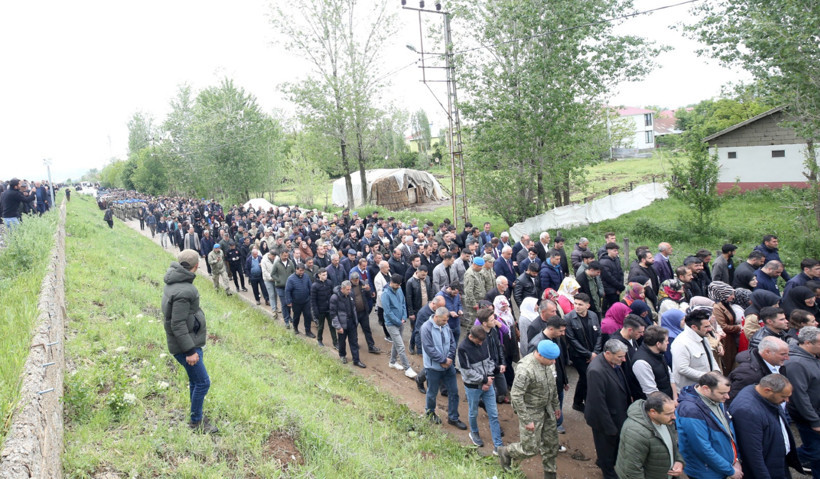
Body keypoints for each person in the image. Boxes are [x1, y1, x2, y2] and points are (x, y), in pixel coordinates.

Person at [161, 249, 217, 433]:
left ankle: (196, 413)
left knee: (195, 381)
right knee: (203, 382)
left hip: (187, 341)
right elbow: (177, 324)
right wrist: (190, 351)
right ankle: (196, 422)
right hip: (186, 345)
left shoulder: (173, 282)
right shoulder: (185, 290)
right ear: (197, 266)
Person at [497, 340, 562, 479]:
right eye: (551, 359)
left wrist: (556, 405)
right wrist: (526, 420)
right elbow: (516, 395)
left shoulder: (549, 364)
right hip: (531, 411)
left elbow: (552, 386)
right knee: (530, 448)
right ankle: (506, 452)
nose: (554, 362)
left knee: (551, 445)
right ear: (540, 355)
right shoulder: (526, 369)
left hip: (547, 409)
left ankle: (550, 474)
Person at [729, 374, 804, 479]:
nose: (787, 400)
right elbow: (753, 454)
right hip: (768, 468)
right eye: (783, 396)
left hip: (777, 461)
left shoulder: (765, 397)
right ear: (767, 390)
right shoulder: (747, 410)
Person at [676, 372, 742, 479]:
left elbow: (729, 432)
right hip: (707, 473)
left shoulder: (716, 398)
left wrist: (736, 459)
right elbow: (702, 448)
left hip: (723, 468)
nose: (727, 396)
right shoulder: (691, 411)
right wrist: (729, 470)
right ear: (706, 388)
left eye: (727, 392)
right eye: (722, 393)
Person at [585, 339, 632, 479]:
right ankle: (608, 473)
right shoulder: (596, 371)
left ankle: (604, 463)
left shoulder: (612, 362)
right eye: (620, 356)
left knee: (613, 447)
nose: (624, 360)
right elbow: (597, 403)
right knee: (606, 449)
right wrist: (609, 427)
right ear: (608, 353)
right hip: (605, 419)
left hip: (617, 413)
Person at [615, 392, 684, 479]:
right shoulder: (636, 433)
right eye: (668, 414)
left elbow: (674, 443)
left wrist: (679, 460)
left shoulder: (666, 420)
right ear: (653, 412)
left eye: (674, 412)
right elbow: (632, 471)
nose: (674, 417)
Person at [457, 325, 503, 452]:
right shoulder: (463, 348)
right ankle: (474, 432)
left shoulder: (483, 341)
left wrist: (489, 378)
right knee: (473, 412)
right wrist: (484, 380)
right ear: (471, 337)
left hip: (487, 384)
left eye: (483, 341)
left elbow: (490, 360)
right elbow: (467, 372)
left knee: (493, 414)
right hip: (473, 387)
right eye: (479, 341)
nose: (481, 344)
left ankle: (498, 445)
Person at [782, 326, 820, 478]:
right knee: (814, 450)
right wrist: (814, 421)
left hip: (814, 412)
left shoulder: (812, 356)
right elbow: (799, 396)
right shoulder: (796, 363)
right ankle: (781, 458)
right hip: (808, 416)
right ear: (808, 343)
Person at [420, 306, 466, 429]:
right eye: (444, 320)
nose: (446, 323)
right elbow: (429, 348)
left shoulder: (445, 326)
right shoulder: (426, 328)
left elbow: (452, 342)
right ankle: (430, 413)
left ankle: (453, 417)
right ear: (436, 317)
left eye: (447, 320)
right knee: (432, 393)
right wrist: (443, 360)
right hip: (433, 368)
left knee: (454, 392)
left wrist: (449, 358)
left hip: (448, 366)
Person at [564, 293, 602, 413]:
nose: (577, 306)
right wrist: (588, 354)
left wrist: (595, 352)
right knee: (586, 377)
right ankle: (579, 403)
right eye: (575, 303)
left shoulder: (593, 315)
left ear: (587, 306)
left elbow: (599, 334)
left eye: (580, 304)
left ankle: (581, 401)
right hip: (578, 355)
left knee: (586, 378)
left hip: (593, 353)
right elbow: (572, 340)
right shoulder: (568, 318)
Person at [727, 336, 789, 404]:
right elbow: (735, 401)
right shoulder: (748, 374)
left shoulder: (778, 365)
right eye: (783, 354)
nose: (787, 358)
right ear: (767, 352)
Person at [671, 309, 721, 388]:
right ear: (694, 327)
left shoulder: (703, 336)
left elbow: (711, 358)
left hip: (707, 385)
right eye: (706, 327)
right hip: (690, 390)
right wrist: (707, 377)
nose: (710, 329)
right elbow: (682, 369)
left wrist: (716, 372)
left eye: (709, 325)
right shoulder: (681, 343)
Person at [383, 274, 417, 378]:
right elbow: (388, 312)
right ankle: (407, 368)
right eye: (396, 285)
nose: (398, 286)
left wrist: (404, 316)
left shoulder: (399, 289)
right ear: (391, 282)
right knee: (401, 346)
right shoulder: (385, 294)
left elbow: (403, 303)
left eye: (399, 285)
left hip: (401, 321)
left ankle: (392, 362)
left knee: (396, 343)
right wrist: (398, 321)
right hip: (391, 324)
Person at [632, 325, 676, 400]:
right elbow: (651, 392)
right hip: (657, 404)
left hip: (668, 399)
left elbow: (669, 374)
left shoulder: (658, 353)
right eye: (666, 341)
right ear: (658, 344)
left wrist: (675, 397)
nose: (668, 343)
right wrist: (670, 404)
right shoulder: (641, 363)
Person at [330, 280, 366, 368]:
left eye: (350, 289)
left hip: (351, 322)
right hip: (342, 323)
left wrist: (355, 321)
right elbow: (333, 314)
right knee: (342, 341)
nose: (349, 291)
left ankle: (356, 360)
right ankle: (342, 356)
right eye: (347, 289)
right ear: (342, 289)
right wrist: (338, 327)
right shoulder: (335, 298)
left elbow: (353, 309)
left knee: (354, 342)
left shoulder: (351, 295)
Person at [310, 268, 337, 349]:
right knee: (321, 326)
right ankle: (319, 340)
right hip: (320, 310)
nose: (325, 276)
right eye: (323, 275)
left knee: (332, 326)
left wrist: (333, 307)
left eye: (326, 274)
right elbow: (313, 300)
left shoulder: (329, 283)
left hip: (329, 309)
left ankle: (335, 343)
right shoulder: (314, 286)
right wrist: (315, 312)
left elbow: (332, 295)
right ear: (319, 275)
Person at [285, 263, 314, 337]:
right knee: (296, 316)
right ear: (296, 270)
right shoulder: (291, 279)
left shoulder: (306, 276)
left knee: (307, 316)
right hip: (296, 302)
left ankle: (308, 331)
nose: (302, 272)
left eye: (303, 271)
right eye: (300, 271)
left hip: (306, 301)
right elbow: (288, 291)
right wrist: (288, 301)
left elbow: (310, 287)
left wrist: (311, 297)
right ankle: (295, 328)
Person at [600, 243, 625, 314]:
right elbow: (608, 277)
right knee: (611, 308)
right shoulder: (604, 262)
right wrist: (619, 287)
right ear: (608, 250)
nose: (617, 252)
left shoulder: (616, 259)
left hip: (617, 288)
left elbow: (620, 273)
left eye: (617, 251)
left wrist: (620, 287)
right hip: (610, 290)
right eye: (615, 251)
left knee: (616, 307)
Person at [272, 250, 295, 328]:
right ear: (281, 255)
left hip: (289, 287)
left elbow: (294, 272)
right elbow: (272, 274)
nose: (286, 257)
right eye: (284, 256)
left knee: (289, 303)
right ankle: (286, 320)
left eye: (287, 256)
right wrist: (278, 280)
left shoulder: (290, 263)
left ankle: (289, 316)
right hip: (280, 287)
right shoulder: (277, 263)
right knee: (284, 304)